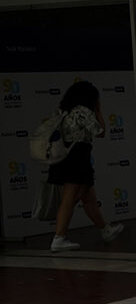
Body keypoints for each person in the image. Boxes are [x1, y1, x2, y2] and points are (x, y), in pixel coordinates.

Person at [46, 80, 124, 251]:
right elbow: (101, 131)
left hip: (66, 157)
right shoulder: (83, 111)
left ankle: (105, 229)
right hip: (78, 158)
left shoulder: (64, 111)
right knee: (70, 198)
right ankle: (59, 238)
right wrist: (98, 110)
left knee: (88, 197)